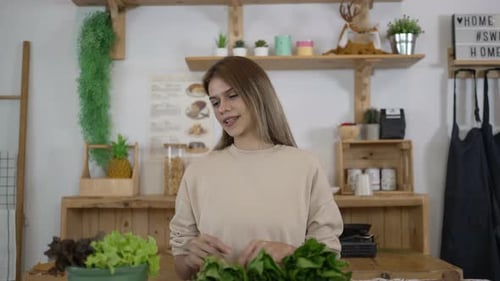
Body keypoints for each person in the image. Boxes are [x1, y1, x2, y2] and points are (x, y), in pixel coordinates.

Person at [169, 56, 343, 280]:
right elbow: (182, 267)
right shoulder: (198, 172)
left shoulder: (306, 166)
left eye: (232, 95)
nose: (222, 108)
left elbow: (329, 255)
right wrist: (190, 259)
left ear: (259, 94)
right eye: (215, 101)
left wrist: (292, 254)